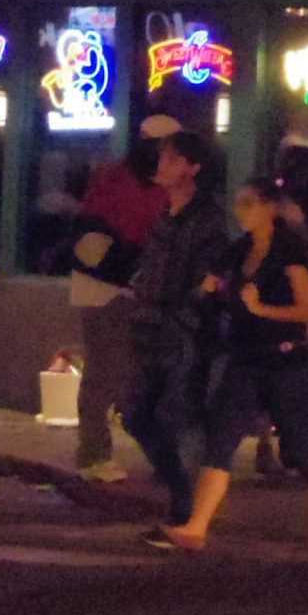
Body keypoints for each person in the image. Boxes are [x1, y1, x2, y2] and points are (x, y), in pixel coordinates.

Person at [155, 177, 308, 554]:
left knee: (300, 443)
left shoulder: (289, 252)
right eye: (238, 204)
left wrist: (261, 309)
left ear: (270, 208)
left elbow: (307, 310)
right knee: (221, 439)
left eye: (250, 204)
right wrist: (208, 290)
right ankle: (196, 526)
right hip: (246, 358)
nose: (242, 212)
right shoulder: (239, 250)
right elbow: (212, 284)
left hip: (287, 360)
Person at [122, 127, 232, 528]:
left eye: (172, 159)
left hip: (183, 331)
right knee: (136, 414)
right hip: (151, 325)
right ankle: (181, 492)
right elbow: (153, 265)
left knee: (180, 414)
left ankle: (189, 507)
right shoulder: (164, 216)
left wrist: (187, 311)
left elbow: (211, 280)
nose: (162, 166)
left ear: (193, 168)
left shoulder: (206, 221)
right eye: (162, 158)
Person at [67, 117, 173, 482]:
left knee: (130, 376)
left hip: (127, 288)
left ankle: (158, 454)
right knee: (105, 373)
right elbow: (91, 238)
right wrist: (129, 266)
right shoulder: (117, 181)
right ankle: (93, 455)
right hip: (104, 288)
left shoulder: (153, 184)